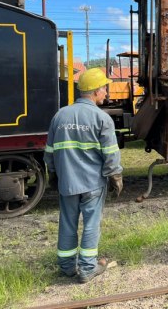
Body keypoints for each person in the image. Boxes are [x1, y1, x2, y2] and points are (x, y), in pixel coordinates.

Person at [45, 67, 123, 283]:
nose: (106, 93)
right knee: (91, 224)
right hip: (92, 183)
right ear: (96, 91)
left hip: (67, 182)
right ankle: (88, 268)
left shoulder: (60, 116)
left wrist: (53, 174)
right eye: (105, 89)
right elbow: (110, 154)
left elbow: (50, 152)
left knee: (67, 222)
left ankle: (67, 266)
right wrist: (116, 177)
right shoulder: (101, 118)